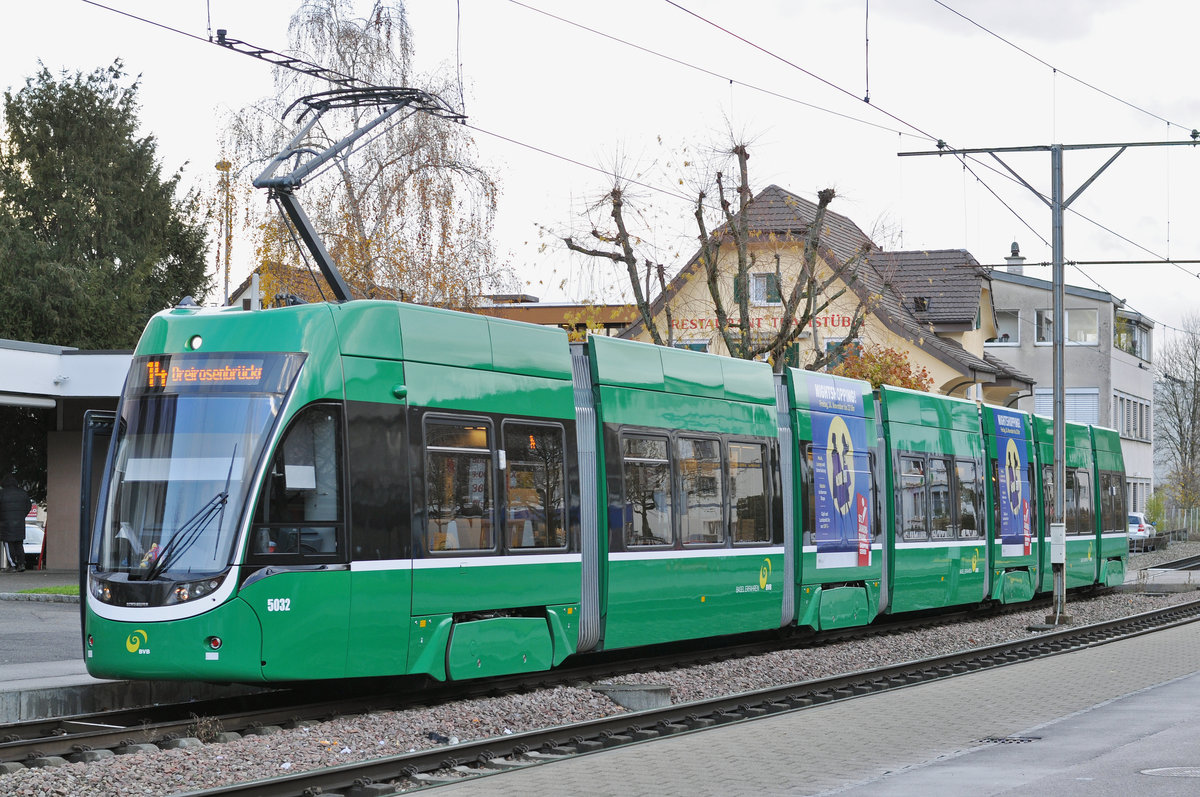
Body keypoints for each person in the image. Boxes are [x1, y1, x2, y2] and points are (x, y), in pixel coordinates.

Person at [0, 474, 33, 572]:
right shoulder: (23, 493)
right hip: (19, 523)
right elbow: (28, 506)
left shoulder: (2, 493)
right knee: (19, 544)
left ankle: (12, 565)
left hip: (6, 523)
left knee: (8, 544)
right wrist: (22, 516)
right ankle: (21, 564)